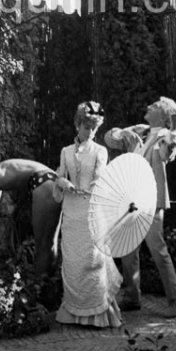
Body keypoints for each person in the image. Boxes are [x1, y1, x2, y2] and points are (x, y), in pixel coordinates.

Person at [104, 97, 176, 317]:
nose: (148, 106)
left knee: (157, 250)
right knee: (128, 248)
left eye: (153, 106)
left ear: (162, 115)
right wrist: (123, 133)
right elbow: (108, 138)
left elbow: (167, 154)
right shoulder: (140, 132)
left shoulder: (163, 136)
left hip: (151, 202)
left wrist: (175, 128)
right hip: (132, 202)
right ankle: (132, 296)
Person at [53, 101, 122, 327]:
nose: (90, 132)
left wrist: (92, 185)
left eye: (94, 128)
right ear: (77, 125)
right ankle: (72, 313)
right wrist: (63, 182)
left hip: (91, 212)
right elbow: (59, 177)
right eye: (86, 127)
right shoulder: (65, 151)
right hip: (70, 214)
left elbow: (101, 176)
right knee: (73, 262)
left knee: (92, 262)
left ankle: (98, 315)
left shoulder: (100, 151)